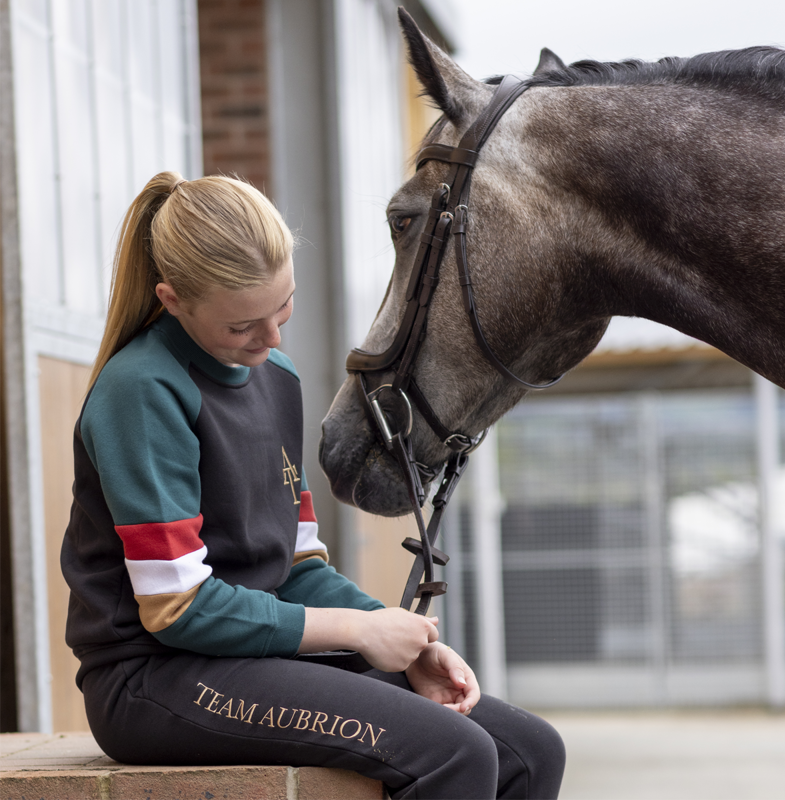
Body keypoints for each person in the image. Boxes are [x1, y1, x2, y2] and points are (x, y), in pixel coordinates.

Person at [61, 171, 566, 799]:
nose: (271, 338)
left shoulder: (277, 377)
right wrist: (356, 633)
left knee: (530, 752)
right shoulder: (141, 391)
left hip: (253, 656)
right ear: (172, 299)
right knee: (454, 754)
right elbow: (177, 607)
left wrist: (398, 638)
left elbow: (296, 566)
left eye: (283, 307)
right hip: (154, 677)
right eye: (242, 326)